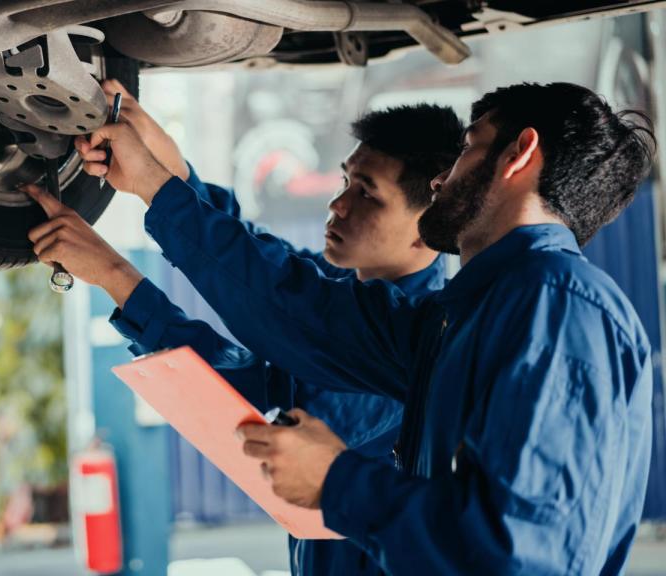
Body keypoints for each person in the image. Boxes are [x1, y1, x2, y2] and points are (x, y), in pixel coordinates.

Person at [57, 82, 655, 574]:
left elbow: (522, 555)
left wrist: (339, 482)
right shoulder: (463, 317)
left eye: (471, 147)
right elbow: (295, 304)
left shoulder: (556, 309)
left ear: (518, 157)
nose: (445, 179)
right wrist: (167, 184)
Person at [24, 82, 463, 575]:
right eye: (345, 181)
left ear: (434, 215)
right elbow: (264, 266)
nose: (338, 205)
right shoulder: (346, 288)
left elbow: (258, 373)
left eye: (367, 194)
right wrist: (176, 173)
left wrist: (120, 270)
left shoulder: (419, 346)